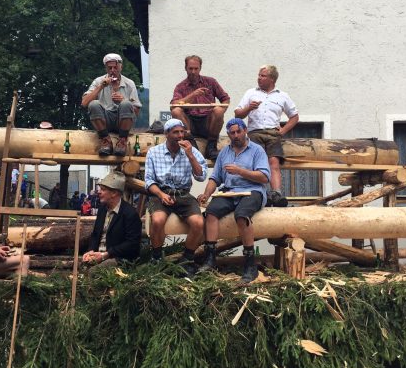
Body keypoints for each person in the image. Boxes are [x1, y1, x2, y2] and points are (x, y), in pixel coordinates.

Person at [197, 118, 270, 282]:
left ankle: (250, 264)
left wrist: (240, 171)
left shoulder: (257, 150)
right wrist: (206, 194)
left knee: (242, 215)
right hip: (229, 192)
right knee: (211, 213)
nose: (236, 135)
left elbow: (264, 177)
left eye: (238, 131)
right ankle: (210, 259)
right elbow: (215, 178)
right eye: (232, 133)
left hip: (252, 191)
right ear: (228, 134)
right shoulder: (224, 152)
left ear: (245, 131)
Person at [144, 118, 207, 272]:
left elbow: (201, 176)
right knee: (158, 220)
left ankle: (187, 258)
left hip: (184, 194)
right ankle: (157, 257)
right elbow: (149, 180)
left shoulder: (192, 151)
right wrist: (161, 195)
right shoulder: (154, 152)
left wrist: (190, 156)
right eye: (175, 132)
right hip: (161, 192)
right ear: (167, 134)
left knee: (198, 223)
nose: (180, 136)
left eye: (182, 132)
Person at [235, 65, 299, 206]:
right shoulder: (251, 93)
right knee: (256, 164)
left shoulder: (282, 95)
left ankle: (276, 193)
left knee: (273, 163)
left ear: (272, 79)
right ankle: (258, 192)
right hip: (254, 132)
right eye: (259, 75)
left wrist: (283, 131)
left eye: (263, 76)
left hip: (273, 133)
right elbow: (238, 114)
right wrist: (249, 108)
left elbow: (294, 117)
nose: (259, 78)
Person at [170, 55, 230, 160]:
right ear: (185, 68)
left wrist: (219, 112)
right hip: (189, 124)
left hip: (207, 122)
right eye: (190, 68)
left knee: (218, 110)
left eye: (196, 68)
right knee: (176, 111)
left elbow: (226, 99)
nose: (193, 72)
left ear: (200, 68)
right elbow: (174, 104)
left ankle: (211, 147)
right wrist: (193, 95)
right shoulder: (181, 86)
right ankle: (192, 144)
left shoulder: (211, 82)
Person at [81, 53, 142, 156]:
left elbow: (136, 112)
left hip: (122, 122)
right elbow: (84, 103)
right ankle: (105, 140)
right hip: (105, 121)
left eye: (115, 67)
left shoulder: (129, 83)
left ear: (121, 67)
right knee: (93, 104)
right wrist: (101, 87)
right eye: (110, 68)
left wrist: (124, 100)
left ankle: (122, 141)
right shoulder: (98, 81)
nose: (113, 70)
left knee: (126, 103)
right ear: (106, 68)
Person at [82, 172, 142, 269]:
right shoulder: (102, 209)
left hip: (120, 258)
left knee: (93, 271)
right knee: (79, 267)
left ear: (114, 193)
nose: (99, 192)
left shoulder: (130, 214)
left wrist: (106, 254)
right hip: (100, 255)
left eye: (103, 189)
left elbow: (132, 244)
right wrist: (91, 251)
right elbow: (95, 234)